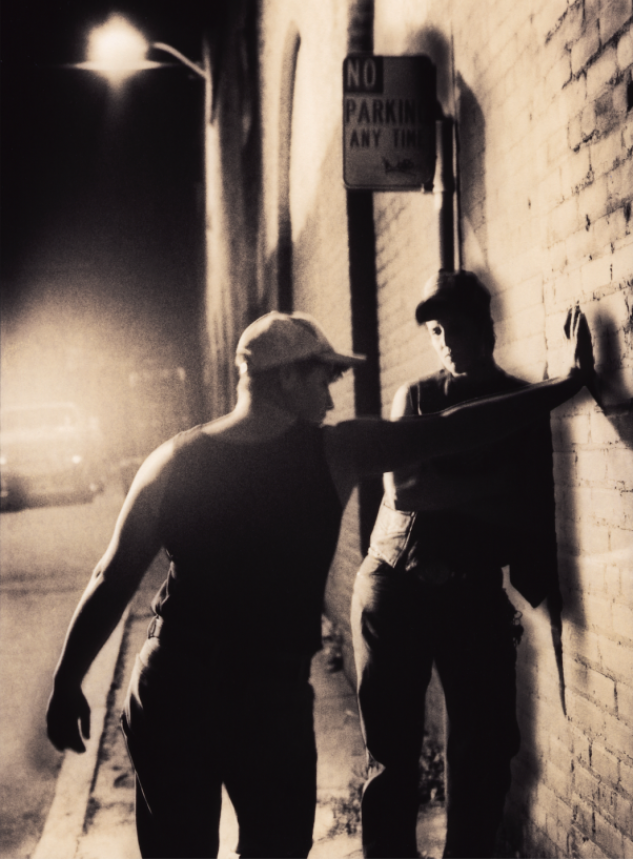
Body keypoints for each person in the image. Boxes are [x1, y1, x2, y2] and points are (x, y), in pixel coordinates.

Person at [47, 307, 592, 859]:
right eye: (324, 380)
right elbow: (453, 430)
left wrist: (68, 680)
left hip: (173, 686)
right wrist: (562, 386)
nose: (331, 400)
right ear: (286, 377)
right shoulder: (335, 451)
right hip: (267, 700)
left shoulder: (170, 460)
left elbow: (111, 578)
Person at [351, 270, 581, 859]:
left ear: (486, 330)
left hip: (472, 593)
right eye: (435, 330)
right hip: (395, 589)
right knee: (392, 759)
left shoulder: (518, 400)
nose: (445, 341)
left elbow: (526, 502)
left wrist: (454, 480)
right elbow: (406, 491)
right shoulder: (417, 396)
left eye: (456, 327)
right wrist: (494, 483)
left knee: (485, 754)